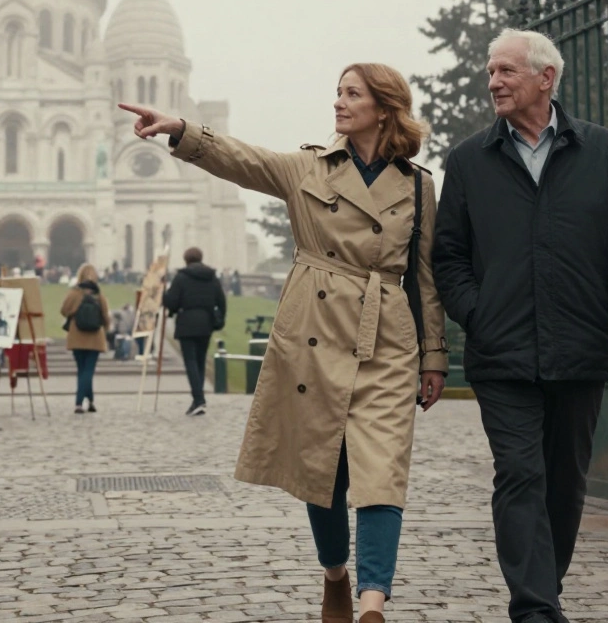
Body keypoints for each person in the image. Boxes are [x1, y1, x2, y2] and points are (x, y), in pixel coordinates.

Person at [119, 62, 448, 623]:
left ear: (384, 108)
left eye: (352, 94)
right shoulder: (306, 168)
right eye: (338, 93)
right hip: (313, 335)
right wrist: (179, 128)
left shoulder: (419, 185)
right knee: (321, 466)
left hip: (386, 337)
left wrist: (434, 356)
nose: (339, 104)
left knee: (382, 467)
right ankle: (335, 573)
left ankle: (372, 602)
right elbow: (242, 160)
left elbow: (425, 278)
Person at [433, 30, 608, 623]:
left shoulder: (602, 151)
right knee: (520, 474)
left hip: (580, 348)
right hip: (501, 354)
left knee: (563, 485)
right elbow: (448, 257)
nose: (494, 83)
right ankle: (535, 609)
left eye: (506, 71)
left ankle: (542, 590)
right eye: (490, 73)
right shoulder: (467, 161)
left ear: (546, 78)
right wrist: (478, 312)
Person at [163, 246, 227, 416]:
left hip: (186, 323)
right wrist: (219, 320)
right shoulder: (211, 277)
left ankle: (198, 399)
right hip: (205, 323)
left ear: (186, 259)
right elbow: (221, 300)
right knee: (199, 361)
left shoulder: (181, 277)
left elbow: (172, 302)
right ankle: (198, 398)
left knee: (190, 361)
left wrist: (163, 295)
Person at [60, 263, 111, 414]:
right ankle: (84, 402)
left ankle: (85, 402)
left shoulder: (74, 293)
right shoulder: (99, 295)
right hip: (95, 337)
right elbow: (105, 317)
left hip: (77, 336)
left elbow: (63, 310)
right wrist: (106, 330)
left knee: (82, 370)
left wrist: (74, 314)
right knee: (88, 371)